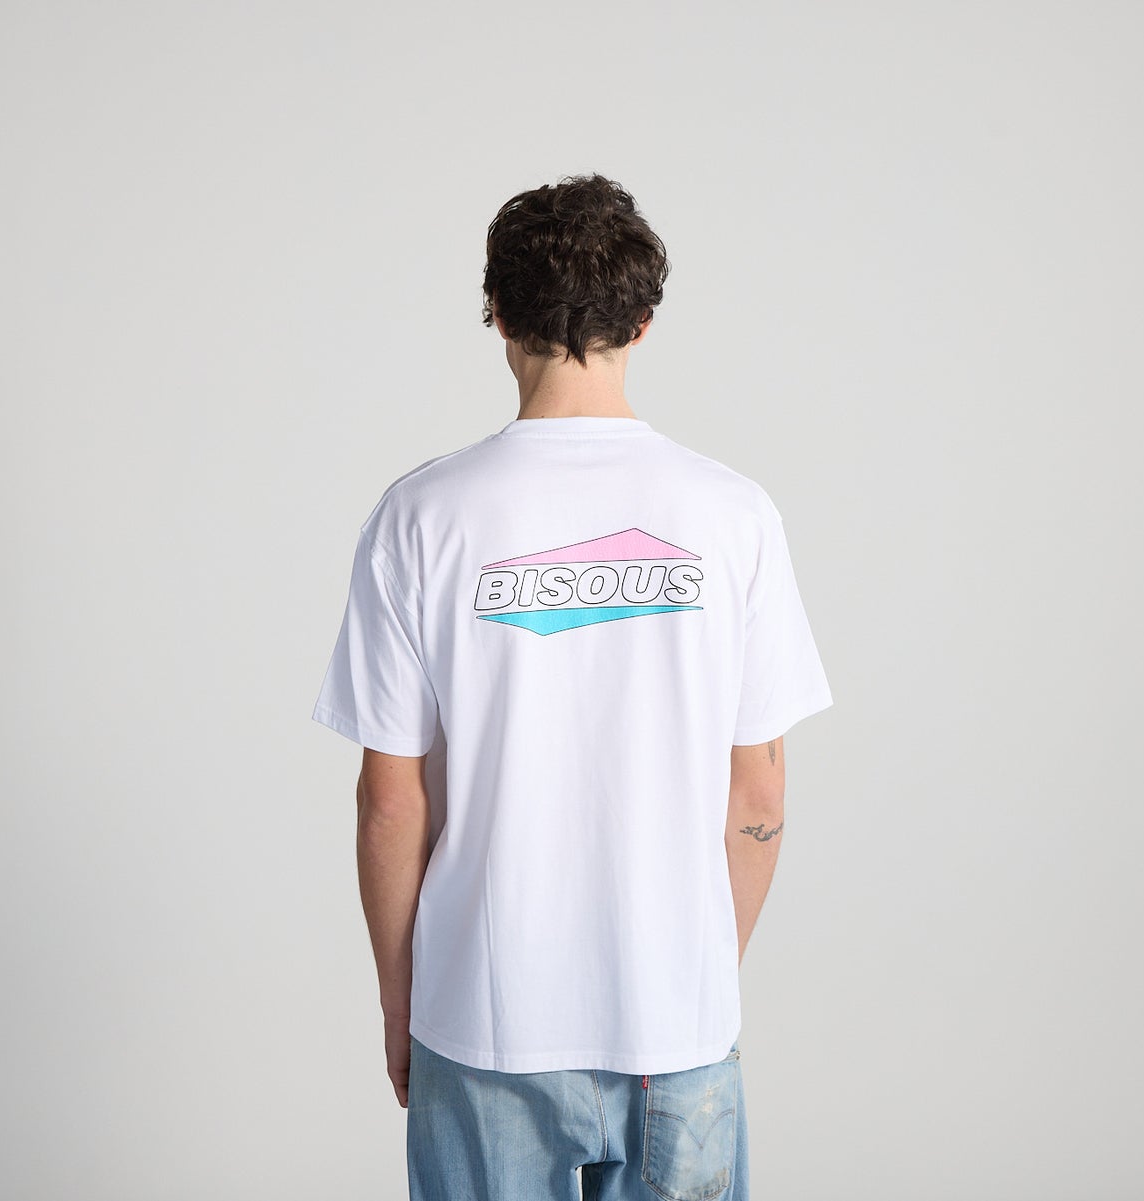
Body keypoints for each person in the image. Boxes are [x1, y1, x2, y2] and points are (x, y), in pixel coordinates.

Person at [311, 172, 833, 1201]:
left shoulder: (423, 515)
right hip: (677, 1025)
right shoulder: (734, 515)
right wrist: (693, 977)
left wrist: (401, 999)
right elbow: (760, 790)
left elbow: (390, 799)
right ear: (642, 322)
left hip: (484, 1015)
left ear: (498, 314)